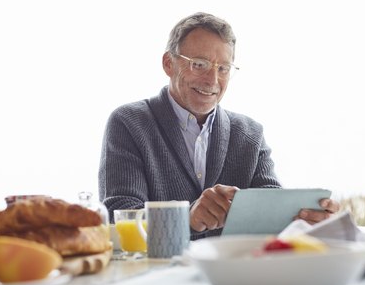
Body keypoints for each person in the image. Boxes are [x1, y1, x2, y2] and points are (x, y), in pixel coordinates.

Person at [98, 12, 339, 240]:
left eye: (223, 68)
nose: (213, 81)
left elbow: (271, 217)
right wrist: (187, 219)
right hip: (157, 278)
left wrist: (306, 221)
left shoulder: (251, 135)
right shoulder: (129, 123)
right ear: (168, 64)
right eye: (199, 64)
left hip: (232, 278)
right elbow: (119, 217)